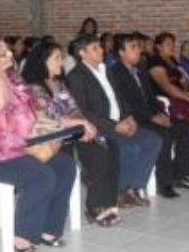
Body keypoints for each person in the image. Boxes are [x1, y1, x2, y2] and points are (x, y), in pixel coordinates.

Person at [0, 36, 76, 251]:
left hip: (20, 151)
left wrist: (58, 128)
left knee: (65, 165)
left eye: (8, 50)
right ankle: (21, 238)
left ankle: (48, 230)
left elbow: (35, 112)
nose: (10, 54)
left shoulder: (14, 79)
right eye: (1, 52)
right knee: (42, 176)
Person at [21, 41, 121, 227]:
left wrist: (84, 126)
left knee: (110, 146)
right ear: (43, 62)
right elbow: (48, 117)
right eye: (57, 58)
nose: (62, 62)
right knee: (96, 154)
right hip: (51, 137)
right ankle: (95, 206)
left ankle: (109, 202)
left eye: (62, 58)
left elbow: (74, 109)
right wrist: (80, 124)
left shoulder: (59, 83)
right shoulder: (33, 87)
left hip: (71, 132)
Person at [65, 33, 161, 209]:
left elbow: (120, 99)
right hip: (99, 127)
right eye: (95, 48)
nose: (101, 50)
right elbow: (84, 112)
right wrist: (114, 126)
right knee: (129, 147)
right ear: (82, 53)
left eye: (100, 46)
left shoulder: (106, 70)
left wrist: (129, 117)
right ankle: (119, 192)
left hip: (120, 122)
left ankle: (134, 187)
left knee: (152, 140)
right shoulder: (76, 76)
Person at [110, 34, 189, 199]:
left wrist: (162, 114)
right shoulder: (115, 73)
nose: (139, 51)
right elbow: (124, 104)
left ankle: (180, 175)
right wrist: (151, 118)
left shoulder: (139, 70)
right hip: (134, 119)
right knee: (164, 134)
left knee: (185, 126)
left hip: (151, 115)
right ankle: (164, 182)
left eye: (138, 47)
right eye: (133, 47)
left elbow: (151, 97)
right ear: (121, 52)